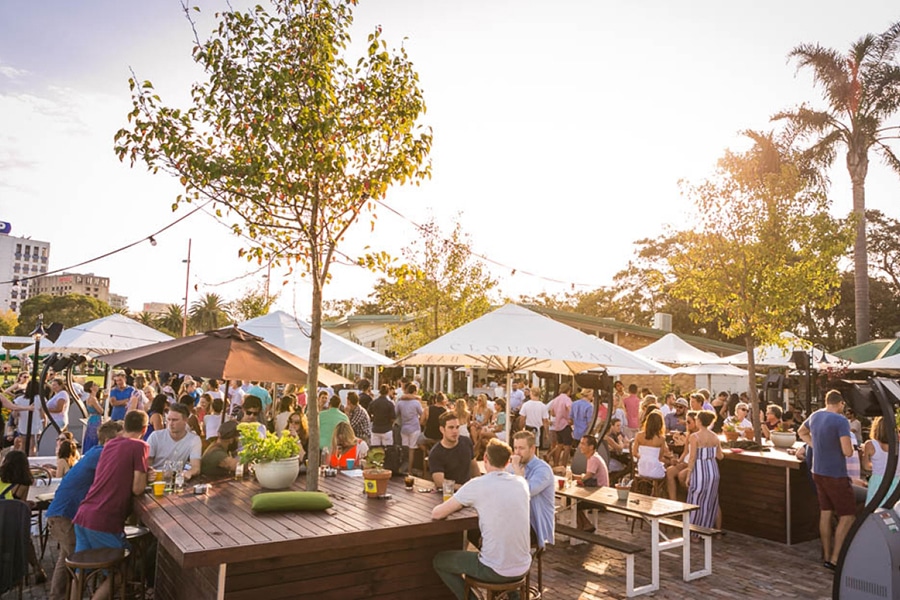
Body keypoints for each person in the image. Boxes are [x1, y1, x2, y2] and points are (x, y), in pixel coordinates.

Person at [432, 438, 531, 600]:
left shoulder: (477, 484)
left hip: (494, 569)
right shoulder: (521, 484)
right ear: (507, 462)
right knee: (489, 545)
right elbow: (518, 479)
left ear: (485, 458)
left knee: (440, 560)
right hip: (523, 566)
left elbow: (437, 514)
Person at [72, 410, 149, 600]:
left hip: (83, 515)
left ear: (124, 427)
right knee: (124, 570)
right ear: (144, 429)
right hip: (104, 520)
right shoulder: (140, 446)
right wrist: (147, 475)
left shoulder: (111, 443)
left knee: (80, 573)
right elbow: (138, 489)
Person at [45, 420, 123, 600]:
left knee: (68, 559)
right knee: (75, 564)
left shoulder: (94, 453)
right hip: (67, 514)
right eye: (121, 438)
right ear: (111, 440)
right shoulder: (104, 454)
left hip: (61, 512)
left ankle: (57, 596)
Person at [798, 390, 855, 571]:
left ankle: (826, 554)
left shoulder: (815, 416)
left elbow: (801, 431)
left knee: (826, 512)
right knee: (848, 516)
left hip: (818, 471)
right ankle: (836, 559)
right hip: (835, 474)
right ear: (840, 404)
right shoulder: (841, 421)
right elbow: (847, 451)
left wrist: (816, 445)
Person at [0, 450, 47, 583]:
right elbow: (18, 507)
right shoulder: (23, 483)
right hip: (12, 526)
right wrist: (26, 503)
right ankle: (37, 568)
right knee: (25, 539)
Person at [510, 430, 555, 549]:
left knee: (499, 534)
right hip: (517, 521)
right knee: (478, 528)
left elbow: (525, 492)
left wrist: (516, 469)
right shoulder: (515, 466)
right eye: (515, 448)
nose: (517, 453)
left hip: (535, 526)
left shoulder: (543, 469)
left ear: (532, 449)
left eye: (521, 448)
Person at [685, 410, 723, 529]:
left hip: (699, 470)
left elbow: (692, 458)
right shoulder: (715, 436)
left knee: (695, 500)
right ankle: (710, 530)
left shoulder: (694, 437)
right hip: (713, 469)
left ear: (699, 421)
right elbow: (720, 456)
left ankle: (694, 532)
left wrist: (688, 475)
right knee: (711, 501)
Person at [147, 403, 202, 479]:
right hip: (155, 479)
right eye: (168, 419)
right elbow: (146, 463)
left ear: (185, 420)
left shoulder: (193, 440)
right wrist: (148, 473)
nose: (170, 423)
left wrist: (189, 473)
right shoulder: (156, 436)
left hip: (175, 479)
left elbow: (196, 467)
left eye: (175, 420)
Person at [429, 412, 477, 490]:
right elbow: (439, 482)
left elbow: (474, 467)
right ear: (442, 429)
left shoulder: (466, 441)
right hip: (448, 494)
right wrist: (462, 488)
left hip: (468, 492)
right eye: (451, 427)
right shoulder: (436, 453)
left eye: (457, 427)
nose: (455, 431)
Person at [572, 435, 609, 532]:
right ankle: (583, 526)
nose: (580, 446)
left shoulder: (593, 459)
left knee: (573, 503)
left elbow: (588, 476)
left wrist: (577, 480)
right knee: (574, 501)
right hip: (597, 491)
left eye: (583, 444)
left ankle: (583, 526)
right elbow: (588, 475)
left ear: (591, 447)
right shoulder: (593, 457)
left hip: (600, 495)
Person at [862, 416, 900, 507]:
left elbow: (866, 466)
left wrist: (878, 466)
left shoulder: (870, 444)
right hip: (897, 480)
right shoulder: (898, 445)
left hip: (878, 481)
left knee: (875, 509)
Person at [666, 410, 699, 500]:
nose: (686, 424)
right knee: (669, 471)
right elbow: (685, 452)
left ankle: (691, 498)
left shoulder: (699, 435)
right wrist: (679, 461)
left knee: (681, 475)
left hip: (694, 463)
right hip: (686, 461)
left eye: (689, 422)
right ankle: (673, 501)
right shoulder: (689, 434)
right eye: (686, 421)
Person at [633, 410, 670, 480]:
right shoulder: (661, 439)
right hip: (655, 470)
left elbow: (634, 453)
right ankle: (658, 490)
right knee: (668, 472)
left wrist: (643, 457)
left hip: (642, 469)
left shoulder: (639, 435)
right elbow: (660, 458)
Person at [396, 383, 424, 472]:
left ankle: (403, 467)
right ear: (415, 391)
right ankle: (410, 470)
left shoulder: (400, 402)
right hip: (414, 427)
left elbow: (395, 413)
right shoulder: (416, 403)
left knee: (405, 449)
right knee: (412, 450)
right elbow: (421, 413)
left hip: (404, 428)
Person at [548, 384, 573, 467]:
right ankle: (564, 465)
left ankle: (555, 464)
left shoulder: (556, 399)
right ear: (568, 391)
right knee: (567, 447)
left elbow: (552, 413)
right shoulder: (567, 399)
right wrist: (570, 418)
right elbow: (569, 408)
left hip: (557, 425)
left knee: (559, 445)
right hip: (565, 424)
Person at [80, 381, 105, 452]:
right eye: (95, 385)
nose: (97, 386)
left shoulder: (90, 398)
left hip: (92, 419)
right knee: (94, 438)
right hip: (95, 420)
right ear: (91, 388)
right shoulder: (93, 399)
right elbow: (101, 410)